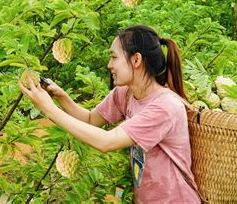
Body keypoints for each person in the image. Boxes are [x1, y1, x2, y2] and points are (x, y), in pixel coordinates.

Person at [19, 25, 200, 203]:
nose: (109, 64)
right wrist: (61, 97)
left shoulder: (165, 106)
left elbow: (107, 141)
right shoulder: (126, 93)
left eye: (114, 57)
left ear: (136, 60)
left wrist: (49, 109)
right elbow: (91, 120)